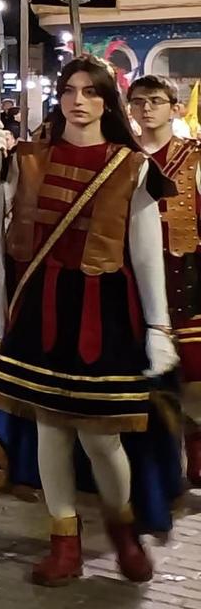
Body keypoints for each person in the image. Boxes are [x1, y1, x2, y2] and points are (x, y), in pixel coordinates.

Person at [0, 56, 179, 584]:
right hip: (40, 305)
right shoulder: (27, 158)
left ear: (108, 101)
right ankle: (64, 539)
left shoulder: (132, 167)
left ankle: (122, 527)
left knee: (102, 437)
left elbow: (146, 252)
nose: (77, 100)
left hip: (103, 310)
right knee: (51, 431)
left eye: (90, 91)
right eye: (69, 89)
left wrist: (158, 328)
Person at [128, 75, 201, 484]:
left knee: (195, 377)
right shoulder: (123, 157)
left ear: (174, 107)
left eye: (156, 101)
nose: (147, 109)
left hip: (188, 277)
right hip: (134, 278)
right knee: (145, 379)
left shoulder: (195, 157)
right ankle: (156, 463)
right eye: (139, 102)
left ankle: (196, 452)